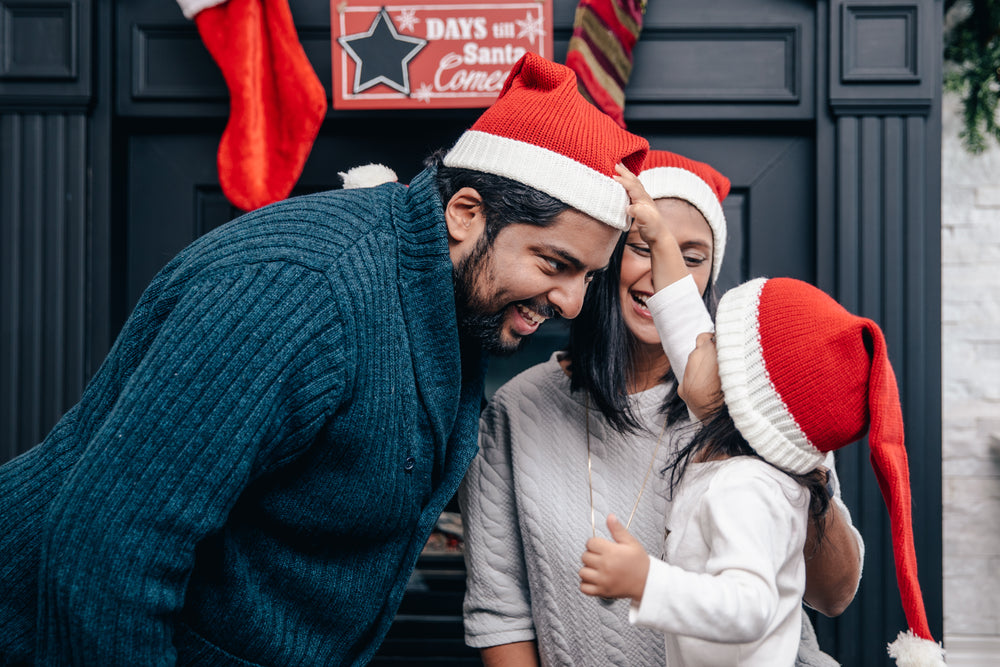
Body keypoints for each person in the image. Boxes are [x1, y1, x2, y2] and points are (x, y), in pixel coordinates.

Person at [0, 53, 649, 665]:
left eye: (589, 277)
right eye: (554, 263)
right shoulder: (301, 289)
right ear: (465, 212)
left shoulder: (451, 295)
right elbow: (110, 548)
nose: (570, 302)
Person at [458, 150, 862, 666]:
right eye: (642, 247)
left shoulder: (761, 409)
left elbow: (832, 596)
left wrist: (801, 465)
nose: (660, 276)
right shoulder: (519, 410)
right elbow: (500, 611)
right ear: (602, 260)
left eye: (688, 259)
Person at [577, 167, 946, 666]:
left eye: (713, 342)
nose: (695, 340)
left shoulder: (744, 488)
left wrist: (647, 581)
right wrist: (658, 239)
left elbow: (749, 606)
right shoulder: (748, 444)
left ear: (740, 396)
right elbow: (683, 320)